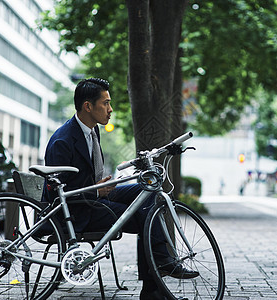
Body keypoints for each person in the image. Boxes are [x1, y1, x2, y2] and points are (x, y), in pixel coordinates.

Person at [42, 78, 198, 300]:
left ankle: (160, 267)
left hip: (94, 198)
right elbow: (59, 193)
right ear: (88, 106)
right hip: (79, 212)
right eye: (105, 103)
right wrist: (96, 190)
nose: (110, 109)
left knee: (146, 191)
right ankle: (154, 285)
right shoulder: (63, 140)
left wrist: (101, 188)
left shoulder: (92, 130)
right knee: (145, 218)